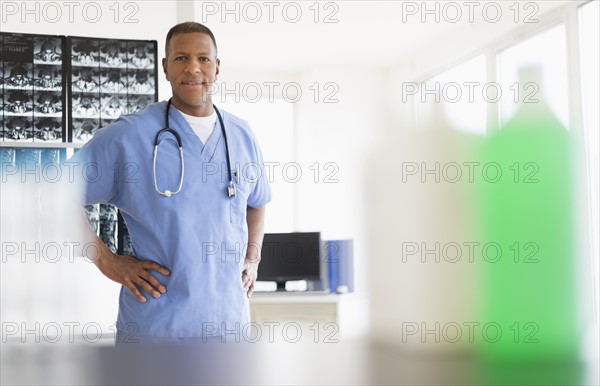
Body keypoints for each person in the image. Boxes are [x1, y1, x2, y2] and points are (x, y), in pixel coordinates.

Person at [72, 22, 271, 342]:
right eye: (181, 58)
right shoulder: (128, 136)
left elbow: (257, 201)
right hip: (157, 330)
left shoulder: (241, 135)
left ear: (217, 67)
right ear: (165, 66)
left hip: (228, 327)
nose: (193, 67)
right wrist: (109, 263)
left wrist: (253, 257)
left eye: (204, 59)